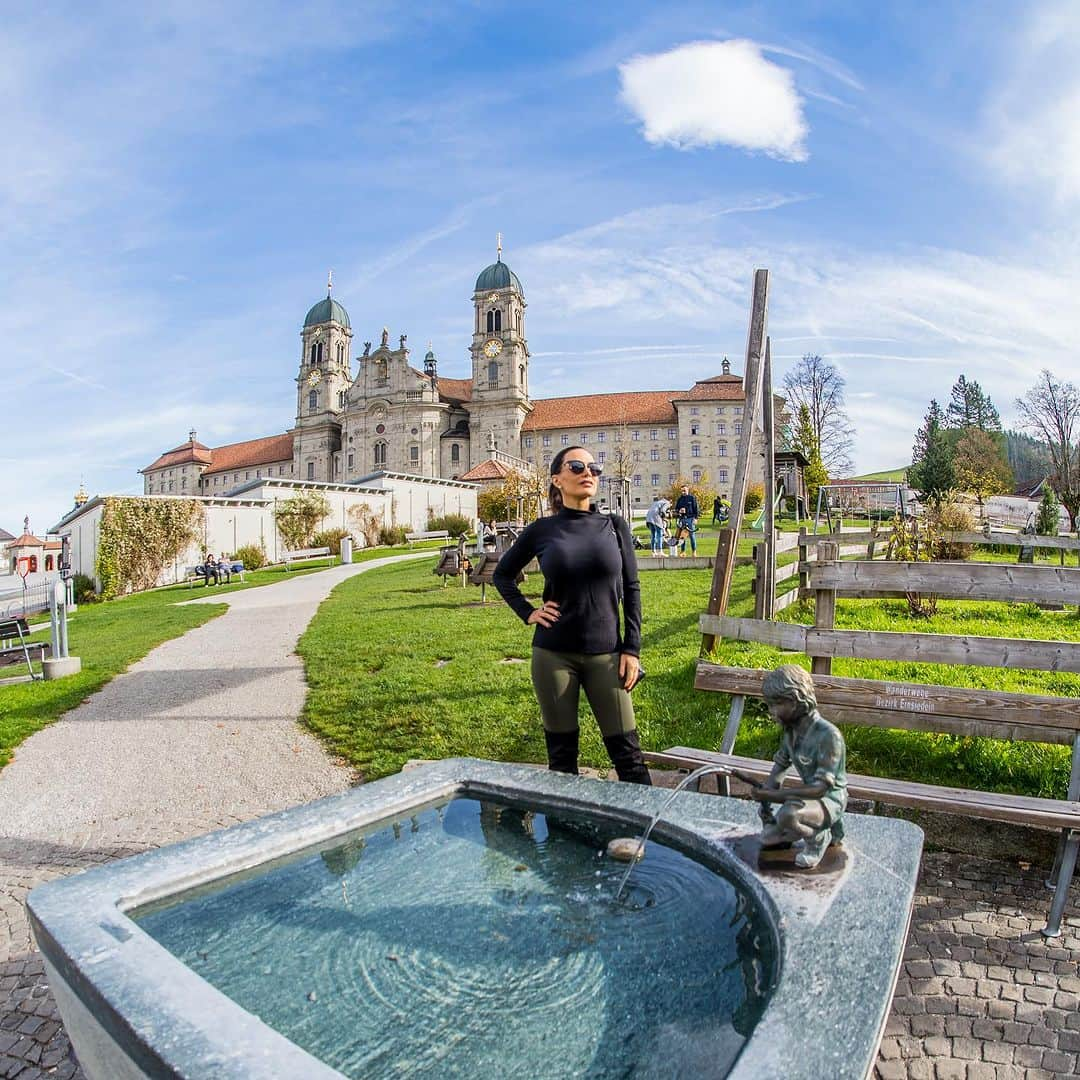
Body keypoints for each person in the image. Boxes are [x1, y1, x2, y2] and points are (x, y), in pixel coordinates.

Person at [493, 446, 651, 785]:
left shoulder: (614, 526)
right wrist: (528, 612)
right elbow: (502, 574)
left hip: (607, 655)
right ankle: (564, 837)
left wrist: (632, 649)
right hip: (554, 655)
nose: (588, 473)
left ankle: (648, 837)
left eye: (594, 468)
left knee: (629, 758)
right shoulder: (542, 530)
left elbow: (632, 589)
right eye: (577, 466)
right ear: (557, 479)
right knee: (562, 761)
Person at [749, 665, 847, 868]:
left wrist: (773, 797)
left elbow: (820, 789)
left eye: (775, 704)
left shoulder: (829, 736)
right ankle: (797, 829)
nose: (771, 712)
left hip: (830, 799)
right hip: (809, 799)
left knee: (788, 814)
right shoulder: (790, 734)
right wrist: (765, 800)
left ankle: (819, 839)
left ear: (794, 701)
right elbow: (779, 770)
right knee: (767, 837)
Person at [674, 484, 699, 554]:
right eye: (682, 491)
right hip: (682, 519)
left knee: (692, 536)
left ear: (688, 490)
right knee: (682, 537)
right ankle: (682, 551)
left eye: (684, 491)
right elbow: (676, 509)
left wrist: (696, 518)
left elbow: (696, 509)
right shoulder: (680, 499)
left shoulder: (692, 498)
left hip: (690, 519)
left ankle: (694, 551)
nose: (683, 492)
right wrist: (679, 511)